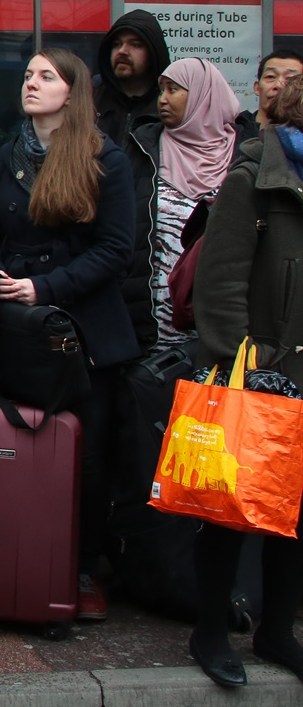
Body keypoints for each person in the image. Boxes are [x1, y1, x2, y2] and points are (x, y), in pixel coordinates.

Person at [0, 48, 139, 622]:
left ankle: (82, 568)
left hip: (82, 328)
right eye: (27, 75)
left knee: (86, 459)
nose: (32, 84)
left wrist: (44, 287)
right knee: (15, 444)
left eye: (47, 76)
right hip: (14, 323)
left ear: (73, 92)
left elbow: (117, 251)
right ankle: (12, 556)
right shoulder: (6, 156)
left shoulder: (105, 160)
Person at [187, 73, 303, 689]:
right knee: (230, 510)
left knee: (297, 515)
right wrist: (248, 366)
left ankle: (278, 630)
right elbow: (221, 286)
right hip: (261, 375)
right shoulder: (253, 180)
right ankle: (209, 630)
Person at [123, 58, 239, 352]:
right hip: (149, 322)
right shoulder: (142, 148)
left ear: (204, 94)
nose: (162, 99)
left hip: (219, 320)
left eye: (173, 89)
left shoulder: (243, 155)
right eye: (161, 90)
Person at [94, 9, 172, 151]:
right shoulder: (91, 93)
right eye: (116, 44)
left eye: (135, 45)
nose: (122, 51)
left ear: (153, 53)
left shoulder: (167, 102)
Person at [234, 48, 303, 145]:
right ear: (257, 88)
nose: (278, 85)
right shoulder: (231, 135)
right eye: (270, 77)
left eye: (290, 79)